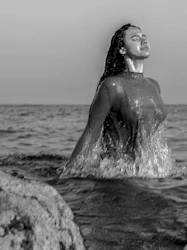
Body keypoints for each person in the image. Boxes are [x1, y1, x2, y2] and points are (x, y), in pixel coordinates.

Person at [65, 23, 168, 168]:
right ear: (122, 49)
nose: (144, 40)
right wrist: (69, 177)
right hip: (117, 174)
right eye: (135, 38)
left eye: (144, 37)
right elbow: (90, 135)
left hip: (146, 174)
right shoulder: (112, 86)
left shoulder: (154, 86)